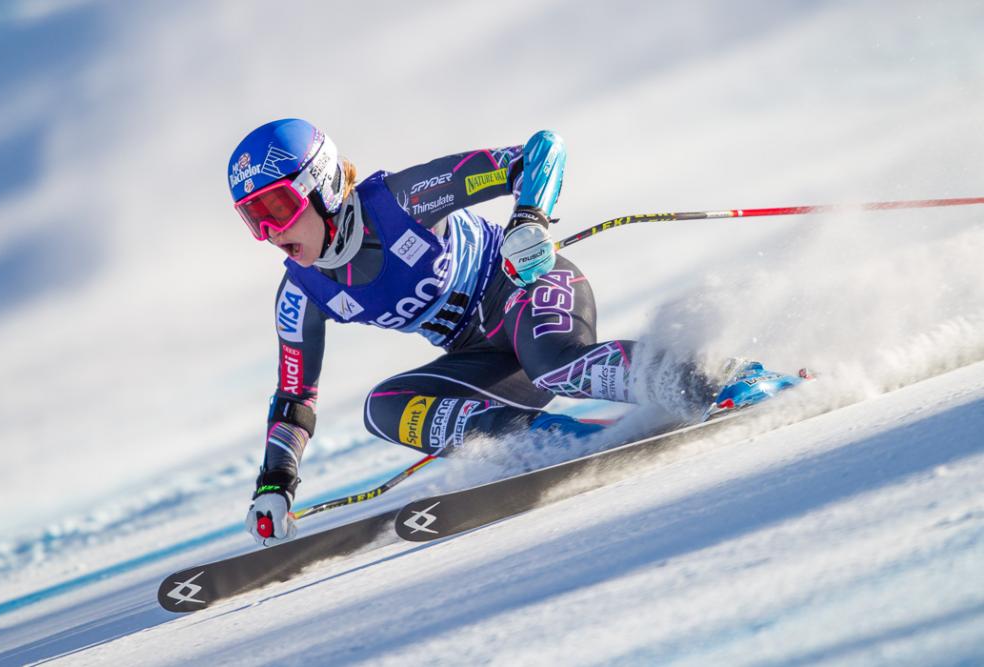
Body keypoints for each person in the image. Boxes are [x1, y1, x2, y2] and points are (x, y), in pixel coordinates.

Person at [228, 119, 801, 545]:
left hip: (529, 290)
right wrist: (276, 482)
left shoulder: (399, 200)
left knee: (557, 360)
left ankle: (724, 380)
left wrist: (530, 219)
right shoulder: (301, 292)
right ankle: (560, 445)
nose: (270, 231)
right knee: (384, 408)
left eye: (277, 205)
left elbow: (537, 153)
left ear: (323, 183)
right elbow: (295, 396)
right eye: (254, 218)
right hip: (484, 355)